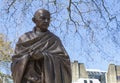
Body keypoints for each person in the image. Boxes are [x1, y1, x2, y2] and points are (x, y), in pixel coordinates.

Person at [11, 9, 72, 83]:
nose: (46, 21)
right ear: (34, 20)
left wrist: (44, 56)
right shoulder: (24, 38)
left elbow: (65, 61)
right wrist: (28, 56)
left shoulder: (54, 40)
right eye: (43, 18)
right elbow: (15, 62)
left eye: (48, 19)